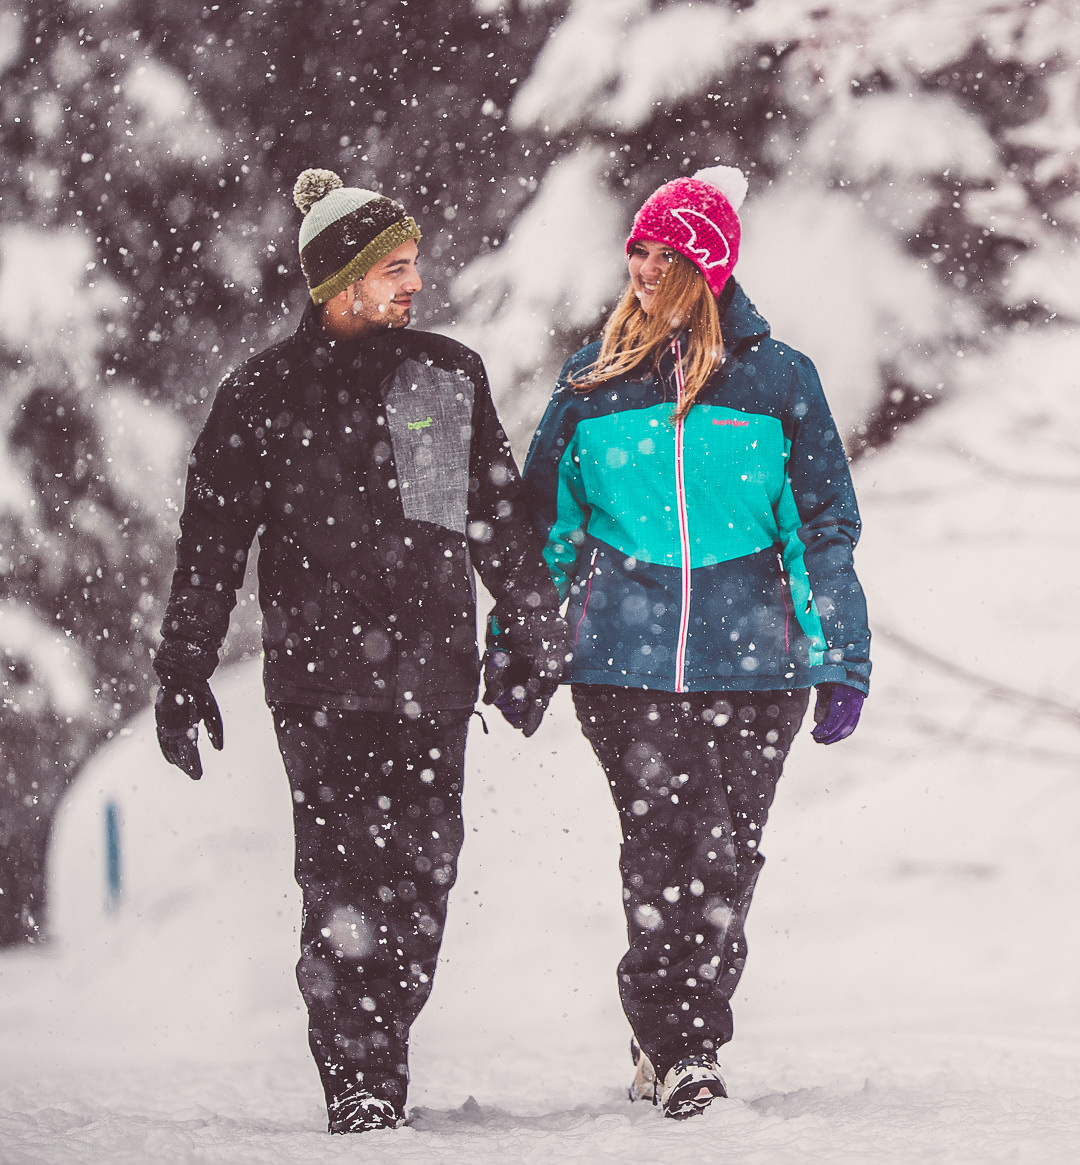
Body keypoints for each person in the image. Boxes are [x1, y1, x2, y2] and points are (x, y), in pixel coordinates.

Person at [151, 169, 569, 1135]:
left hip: (431, 682)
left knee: (424, 880)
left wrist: (532, 637)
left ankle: (387, 1045)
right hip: (320, 689)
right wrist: (182, 668)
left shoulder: (445, 375)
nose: (414, 283)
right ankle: (358, 1078)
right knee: (340, 884)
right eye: (396, 269)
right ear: (340, 282)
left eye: (414, 265)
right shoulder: (258, 396)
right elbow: (212, 545)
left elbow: (499, 521)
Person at [519, 166, 870, 1119]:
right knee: (663, 841)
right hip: (623, 668)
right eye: (636, 250)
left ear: (707, 268)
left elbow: (821, 527)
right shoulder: (593, 382)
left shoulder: (778, 380)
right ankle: (685, 1045)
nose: (642, 270)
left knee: (727, 855)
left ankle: (666, 1020)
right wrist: (522, 645)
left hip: (756, 668)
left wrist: (839, 652)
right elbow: (547, 529)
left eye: (663, 255)